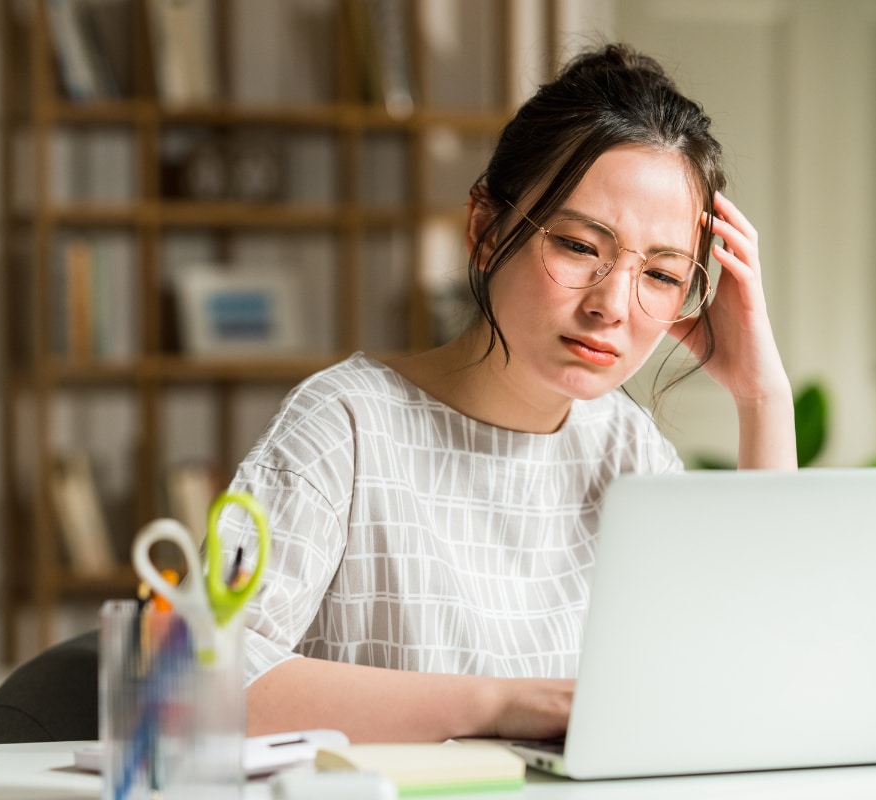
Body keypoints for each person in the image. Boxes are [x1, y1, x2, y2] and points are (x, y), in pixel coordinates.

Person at [214, 43, 797, 744]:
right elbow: (195, 678)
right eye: (581, 246)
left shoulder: (627, 450)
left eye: (662, 276)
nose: (613, 305)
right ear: (487, 230)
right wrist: (501, 705)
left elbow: (753, 673)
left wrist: (763, 399)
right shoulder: (346, 425)